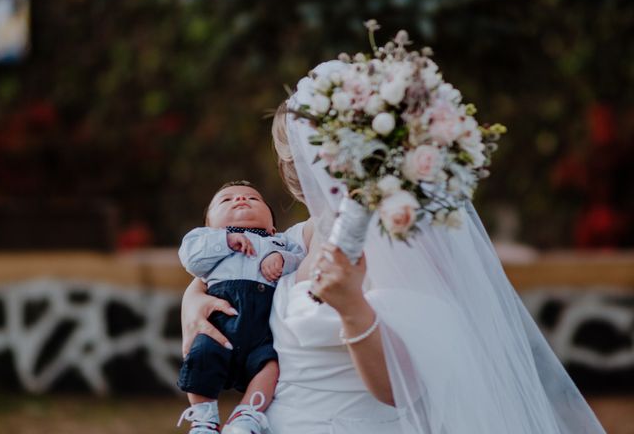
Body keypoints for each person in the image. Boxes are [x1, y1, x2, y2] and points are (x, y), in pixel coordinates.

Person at [181, 105, 606, 433]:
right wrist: (193, 300)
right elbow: (234, 271)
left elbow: (397, 389)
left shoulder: (404, 248)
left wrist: (351, 308)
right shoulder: (305, 236)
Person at [176, 180, 305, 434]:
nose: (240, 200)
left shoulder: (280, 242)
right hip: (221, 324)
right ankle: (203, 418)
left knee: (270, 367)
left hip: (262, 330)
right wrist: (225, 240)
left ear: (272, 226)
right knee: (200, 355)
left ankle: (246, 414)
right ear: (209, 225)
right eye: (226, 200)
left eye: (253, 198)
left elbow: (301, 260)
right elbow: (191, 259)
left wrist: (281, 258)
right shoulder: (205, 239)